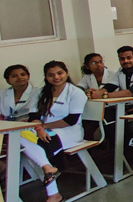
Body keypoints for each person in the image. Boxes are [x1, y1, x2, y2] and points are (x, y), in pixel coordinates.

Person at [23, 61, 87, 202]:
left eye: (60, 73)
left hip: (69, 131)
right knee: (16, 138)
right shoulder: (40, 93)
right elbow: (33, 116)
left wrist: (43, 128)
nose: (56, 77)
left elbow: (71, 120)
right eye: (51, 75)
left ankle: (53, 193)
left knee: (40, 145)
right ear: (46, 77)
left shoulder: (76, 92)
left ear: (66, 73)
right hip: (41, 129)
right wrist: (39, 128)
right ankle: (48, 169)